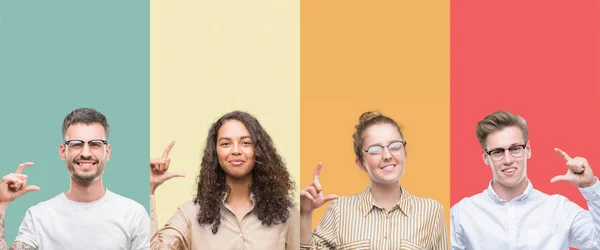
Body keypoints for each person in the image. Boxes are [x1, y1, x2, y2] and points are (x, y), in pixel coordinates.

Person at [0, 108, 150, 250]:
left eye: (95, 144)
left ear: (107, 152)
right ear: (63, 151)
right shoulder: (38, 217)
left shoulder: (133, 214)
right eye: (76, 144)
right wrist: (1, 203)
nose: (86, 153)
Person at [450, 110, 600, 249]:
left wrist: (590, 186)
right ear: (485, 157)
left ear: (527, 150)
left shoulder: (560, 209)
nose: (508, 160)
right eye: (498, 152)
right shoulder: (462, 213)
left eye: (515, 148)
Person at [150, 111, 299, 249]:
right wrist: (148, 188)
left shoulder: (287, 215)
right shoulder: (190, 214)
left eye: (245, 143)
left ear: (258, 150)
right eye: (226, 144)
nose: (235, 150)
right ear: (215, 152)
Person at [300, 111, 448, 249]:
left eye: (395, 146)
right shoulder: (340, 210)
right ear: (361, 163)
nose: (387, 155)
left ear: (405, 153)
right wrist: (305, 214)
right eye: (375, 150)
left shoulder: (431, 211)